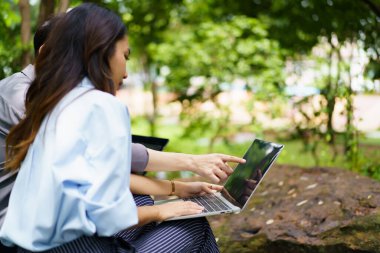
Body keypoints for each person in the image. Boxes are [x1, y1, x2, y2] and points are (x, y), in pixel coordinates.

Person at [0, 3, 244, 252]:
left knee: (156, 207)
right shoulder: (98, 105)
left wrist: (175, 190)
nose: (126, 73)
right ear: (101, 54)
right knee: (193, 223)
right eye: (124, 56)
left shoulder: (48, 101)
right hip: (72, 243)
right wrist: (161, 210)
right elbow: (107, 216)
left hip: (29, 243)